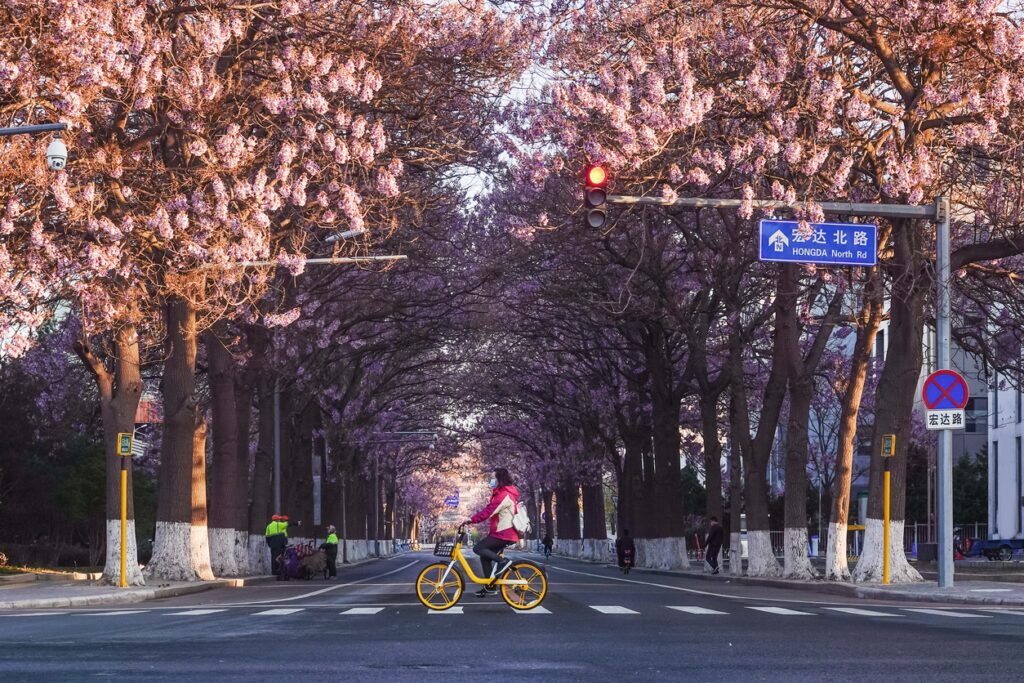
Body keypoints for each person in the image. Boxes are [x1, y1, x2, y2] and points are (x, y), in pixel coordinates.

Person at [465, 467, 519, 598]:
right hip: (500, 533)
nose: (491, 481)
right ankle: (491, 587)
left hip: (505, 533)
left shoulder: (504, 495)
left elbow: (489, 511)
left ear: (499, 479)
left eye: (493, 478)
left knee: (478, 548)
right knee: (485, 556)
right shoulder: (501, 493)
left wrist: (471, 520)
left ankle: (503, 562)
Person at [265, 514, 289, 580]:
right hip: (279, 545)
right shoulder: (279, 524)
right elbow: (286, 524)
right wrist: (284, 519)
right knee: (279, 558)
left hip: (273, 545)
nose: (279, 520)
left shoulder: (268, 526)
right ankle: (279, 571)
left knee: (273, 558)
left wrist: (270, 545)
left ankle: (274, 571)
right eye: (279, 519)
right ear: (277, 520)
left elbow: (267, 537)